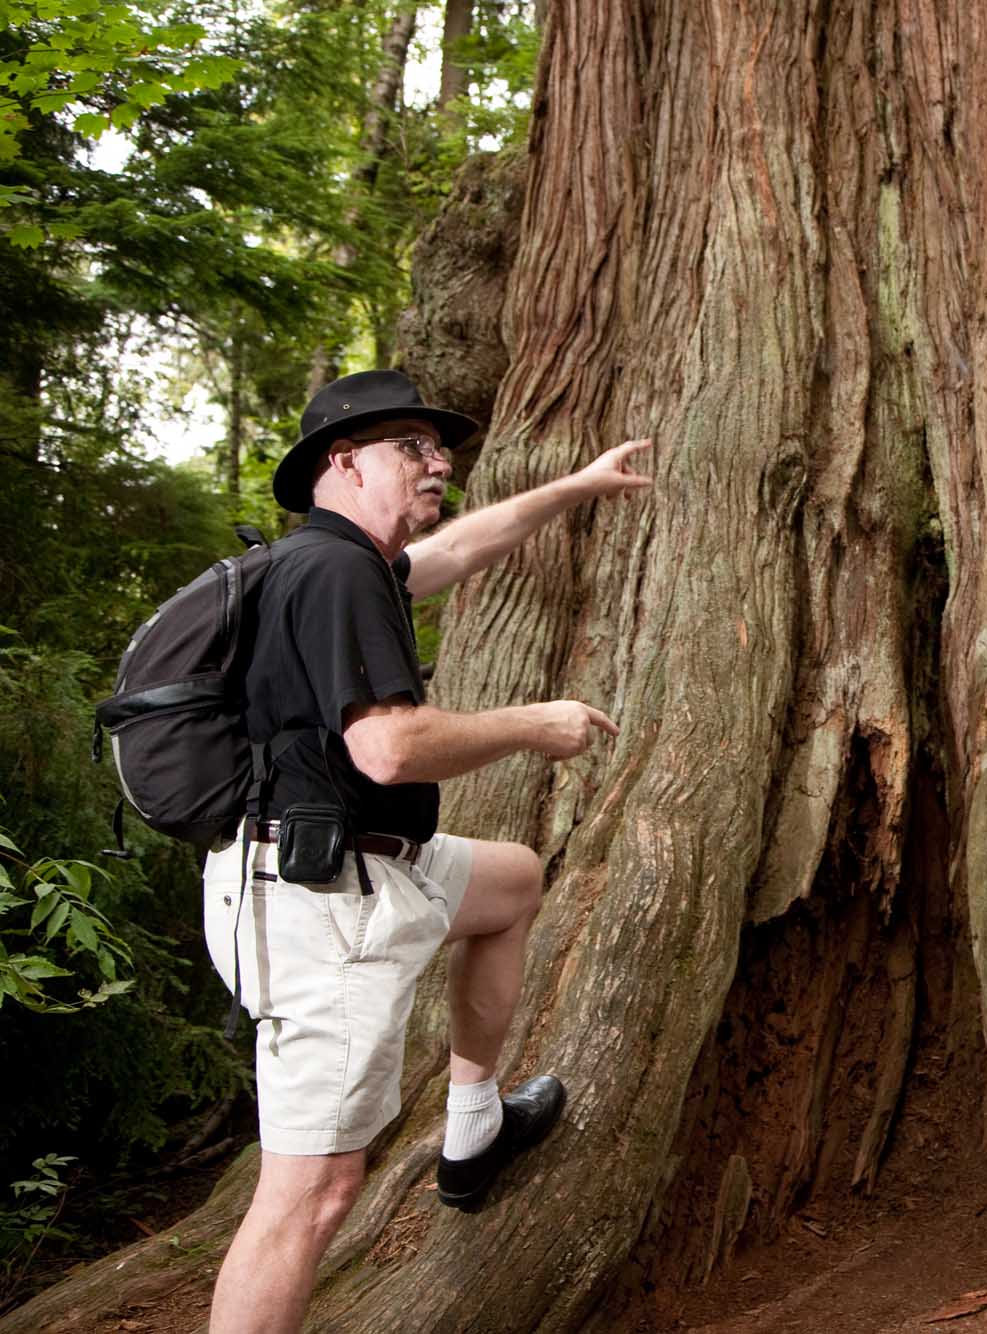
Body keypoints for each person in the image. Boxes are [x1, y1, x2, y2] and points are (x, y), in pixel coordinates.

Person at [203, 369, 653, 1334]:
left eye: (440, 445)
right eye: (411, 445)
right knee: (311, 1195)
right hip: (319, 903)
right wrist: (534, 724)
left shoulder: (340, 566)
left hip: (370, 870)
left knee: (513, 880)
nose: (438, 459)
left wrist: (578, 485)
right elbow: (388, 748)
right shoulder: (334, 574)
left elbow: (457, 549)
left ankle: (474, 1129)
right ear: (344, 461)